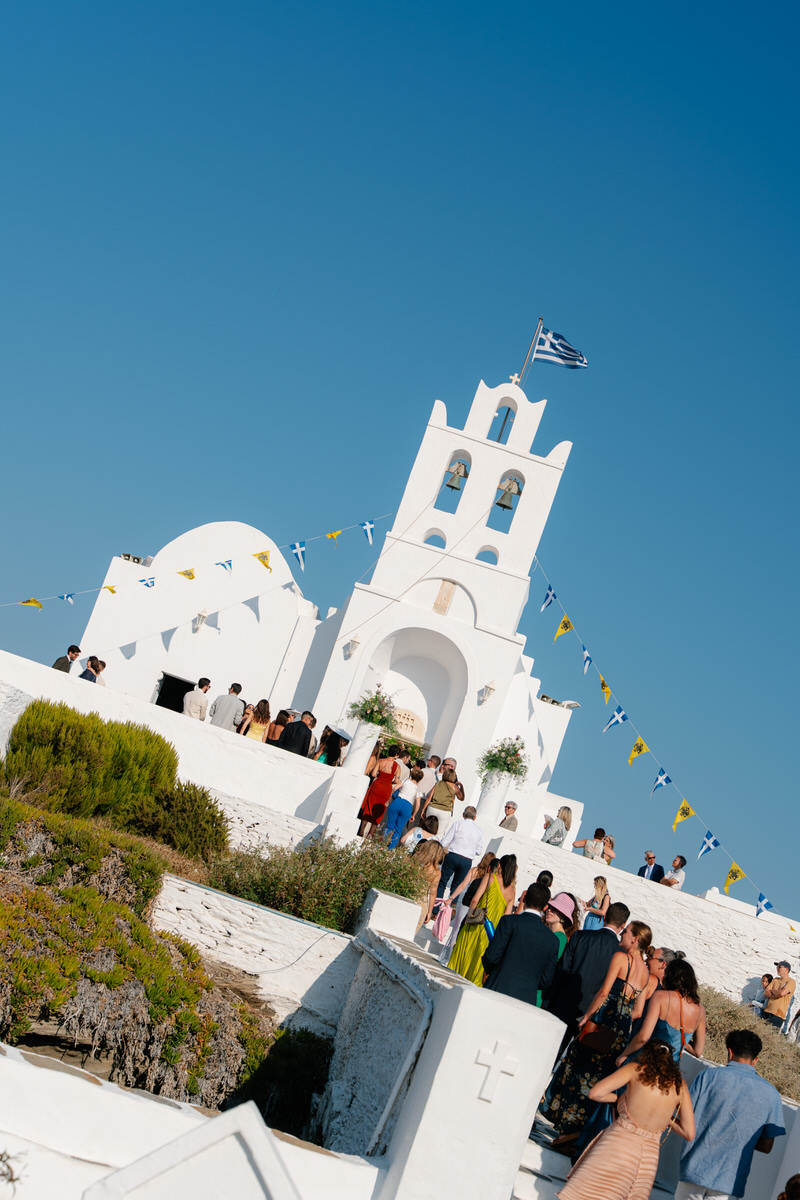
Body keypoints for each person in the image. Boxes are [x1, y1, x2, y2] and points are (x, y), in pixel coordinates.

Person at [541, 920, 651, 1145]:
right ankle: (578, 1130)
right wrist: (622, 1016)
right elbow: (638, 1011)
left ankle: (565, 1124)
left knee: (579, 1067)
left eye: (626, 931)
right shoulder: (646, 973)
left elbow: (603, 992)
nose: (622, 933)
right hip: (621, 1027)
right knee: (598, 1076)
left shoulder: (622, 958)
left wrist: (588, 1017)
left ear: (635, 939)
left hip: (604, 1018)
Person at [557, 1040, 695, 1200]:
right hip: (647, 1157)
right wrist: (667, 1117)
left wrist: (621, 1099)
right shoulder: (679, 1086)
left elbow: (595, 1093)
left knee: (591, 1193)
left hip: (618, 1143)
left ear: (646, 1054)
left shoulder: (635, 1070)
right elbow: (689, 1132)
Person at [676, 1028, 786, 1200]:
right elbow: (766, 1146)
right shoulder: (771, 1095)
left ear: (730, 1052)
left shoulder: (708, 1077)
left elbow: (684, 1116)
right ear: (755, 1060)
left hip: (694, 1170)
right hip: (730, 1180)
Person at [545, 901, 632, 1048]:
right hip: (592, 1015)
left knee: (548, 1050)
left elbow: (562, 971)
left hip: (564, 1003)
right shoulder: (622, 955)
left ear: (604, 918)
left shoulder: (580, 936)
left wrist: (548, 1002)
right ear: (622, 925)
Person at [482, 882, 560, 1006]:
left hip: (497, 989)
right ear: (545, 907)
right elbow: (546, 981)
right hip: (526, 1000)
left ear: (524, 898)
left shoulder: (509, 922)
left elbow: (491, 957)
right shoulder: (552, 940)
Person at [618, 957, 706, 1065]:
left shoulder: (661, 997)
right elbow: (697, 1051)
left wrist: (624, 1055)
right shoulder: (700, 1010)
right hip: (669, 1071)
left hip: (645, 1063)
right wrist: (679, 1038)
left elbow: (643, 1037)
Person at [448, 854, 517, 985]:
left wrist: (469, 917)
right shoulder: (512, 892)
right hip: (491, 932)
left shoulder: (490, 877)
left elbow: (475, 899)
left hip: (476, 923)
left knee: (463, 955)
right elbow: (506, 918)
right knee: (478, 964)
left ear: (500, 865)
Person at [435, 805, 485, 901]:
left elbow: (445, 841)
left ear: (463, 815)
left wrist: (439, 845)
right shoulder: (479, 831)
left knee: (442, 881)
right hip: (467, 860)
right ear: (475, 818)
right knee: (457, 885)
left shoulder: (457, 824)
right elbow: (479, 851)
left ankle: (435, 909)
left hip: (453, 856)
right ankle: (450, 909)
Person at [357, 744, 400, 836]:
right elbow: (397, 780)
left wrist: (380, 777)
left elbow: (373, 774)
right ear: (396, 754)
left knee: (369, 807)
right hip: (386, 788)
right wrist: (389, 782)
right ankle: (370, 834)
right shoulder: (397, 766)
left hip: (377, 785)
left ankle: (361, 830)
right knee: (379, 811)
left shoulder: (380, 761)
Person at [383, 767, 425, 849]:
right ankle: (390, 849)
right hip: (407, 806)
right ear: (420, 779)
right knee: (398, 830)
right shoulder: (418, 789)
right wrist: (413, 815)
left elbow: (395, 788)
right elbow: (418, 805)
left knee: (389, 826)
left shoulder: (406, 780)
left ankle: (383, 844)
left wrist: (391, 798)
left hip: (398, 801)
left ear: (411, 775)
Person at [413, 839, 446, 929]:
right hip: (421, 902)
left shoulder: (415, 862)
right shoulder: (436, 872)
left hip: (408, 895)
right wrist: (430, 911)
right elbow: (433, 892)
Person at [422, 767, 459, 836]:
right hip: (445, 812)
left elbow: (430, 797)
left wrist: (423, 809)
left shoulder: (438, 783)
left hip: (432, 808)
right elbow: (461, 797)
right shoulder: (455, 787)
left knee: (426, 829)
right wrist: (461, 787)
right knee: (439, 833)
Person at [763, 960, 795, 1031]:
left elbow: (782, 993)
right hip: (767, 1011)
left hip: (778, 1014)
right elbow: (766, 992)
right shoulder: (775, 980)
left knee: (770, 1037)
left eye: (779, 967)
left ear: (786, 969)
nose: (777, 969)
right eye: (777, 967)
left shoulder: (791, 982)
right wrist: (777, 994)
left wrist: (772, 990)